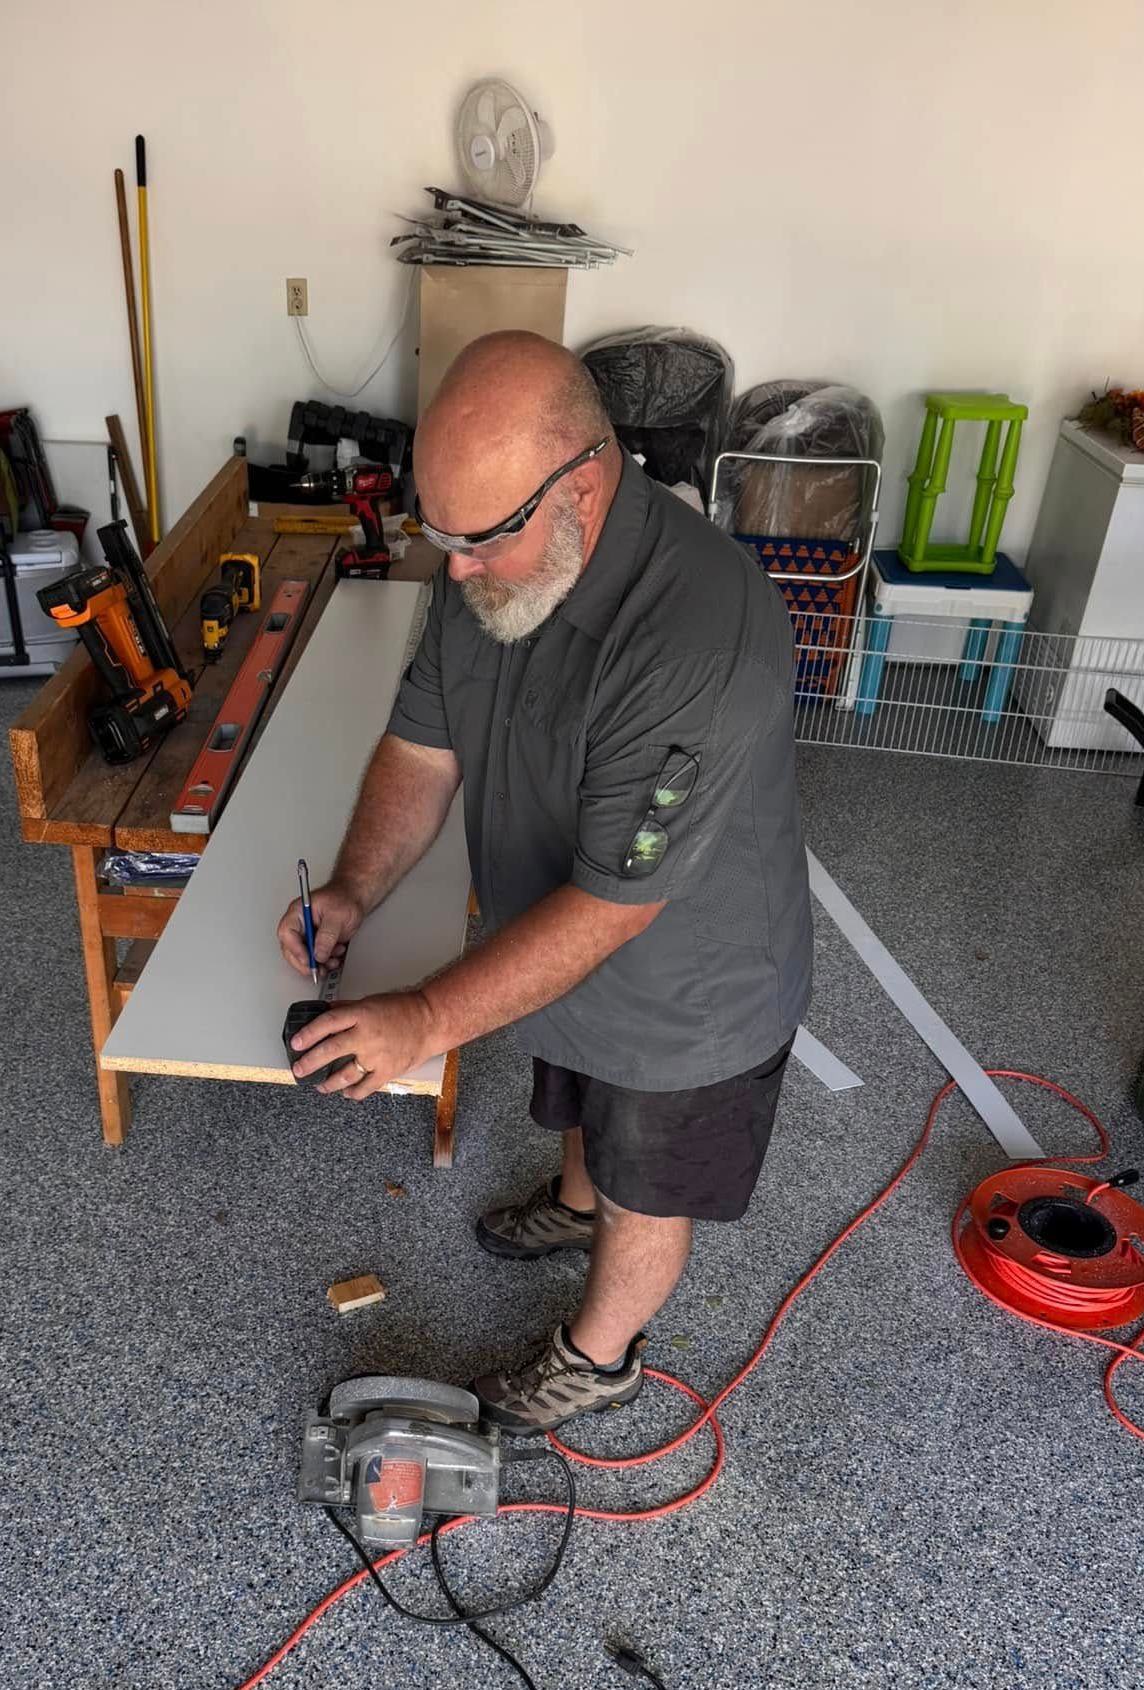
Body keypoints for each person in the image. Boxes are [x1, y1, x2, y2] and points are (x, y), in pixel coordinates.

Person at [277, 331, 812, 1434]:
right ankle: (574, 1205)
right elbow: (423, 747)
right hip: (551, 928)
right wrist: (352, 890)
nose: (456, 568)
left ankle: (597, 1355)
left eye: (482, 539)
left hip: (686, 988)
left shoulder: (697, 637)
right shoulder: (494, 558)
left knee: (641, 1180)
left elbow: (617, 909)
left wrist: (424, 1017)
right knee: (573, 1092)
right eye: (443, 535)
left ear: (587, 476)